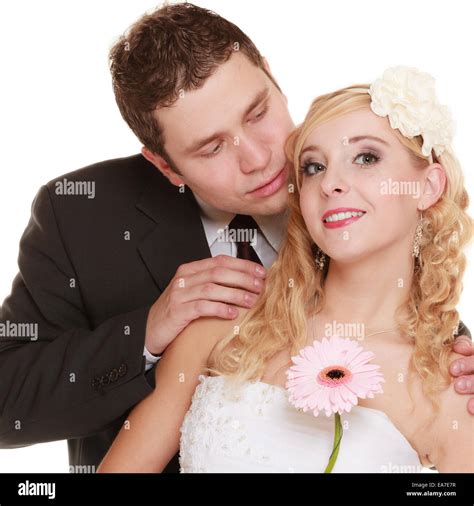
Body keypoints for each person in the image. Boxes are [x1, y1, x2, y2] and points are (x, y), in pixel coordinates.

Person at [0, 3, 472, 474]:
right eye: (212, 147)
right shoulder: (82, 214)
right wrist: (145, 334)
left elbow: (413, 341)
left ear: (271, 75)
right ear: (165, 166)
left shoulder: (350, 202)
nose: (258, 158)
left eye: (257, 113)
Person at [98, 66, 473, 473]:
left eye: (366, 158)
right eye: (314, 167)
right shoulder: (219, 329)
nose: (332, 183)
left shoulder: (448, 391)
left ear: (428, 186)